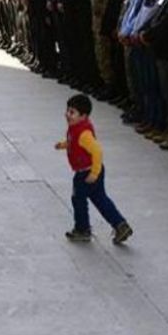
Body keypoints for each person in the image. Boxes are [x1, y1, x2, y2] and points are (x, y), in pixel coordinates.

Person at [55, 94, 133, 244]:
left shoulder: (84, 133)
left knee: (78, 199)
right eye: (67, 110)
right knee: (100, 199)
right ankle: (120, 224)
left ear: (83, 116)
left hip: (86, 172)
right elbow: (74, 142)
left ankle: (82, 229)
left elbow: (97, 151)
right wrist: (64, 144)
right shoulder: (76, 128)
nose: (67, 115)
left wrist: (94, 173)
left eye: (72, 112)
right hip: (89, 171)